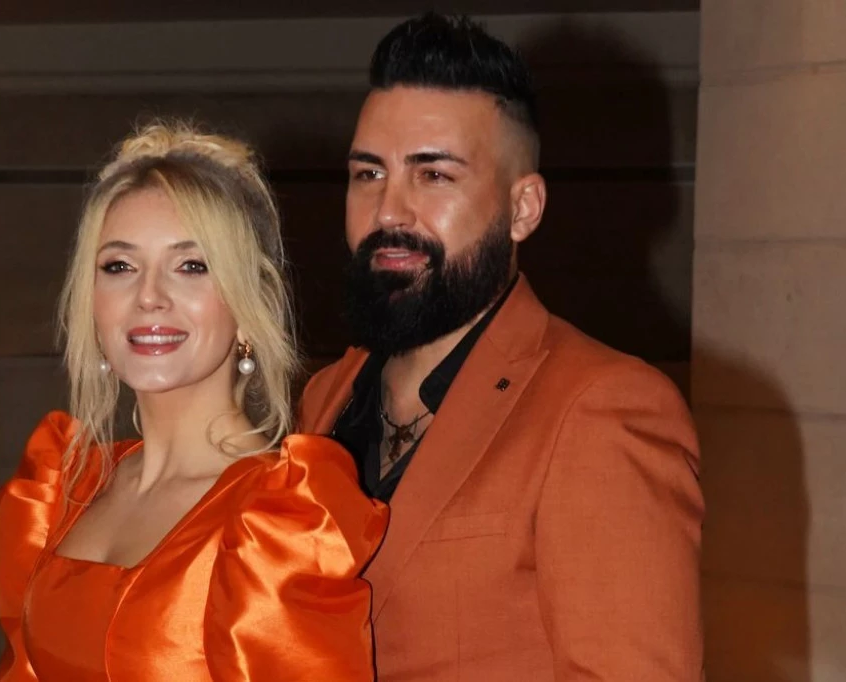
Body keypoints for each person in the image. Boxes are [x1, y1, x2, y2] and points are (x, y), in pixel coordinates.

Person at [298, 14, 704, 681]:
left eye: (433, 176)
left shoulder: (602, 408)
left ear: (523, 209)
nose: (388, 211)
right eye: (368, 173)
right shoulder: (325, 397)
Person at [0, 121, 388, 681]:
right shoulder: (62, 491)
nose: (149, 296)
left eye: (191, 266)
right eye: (119, 266)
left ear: (250, 303)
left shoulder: (280, 524)